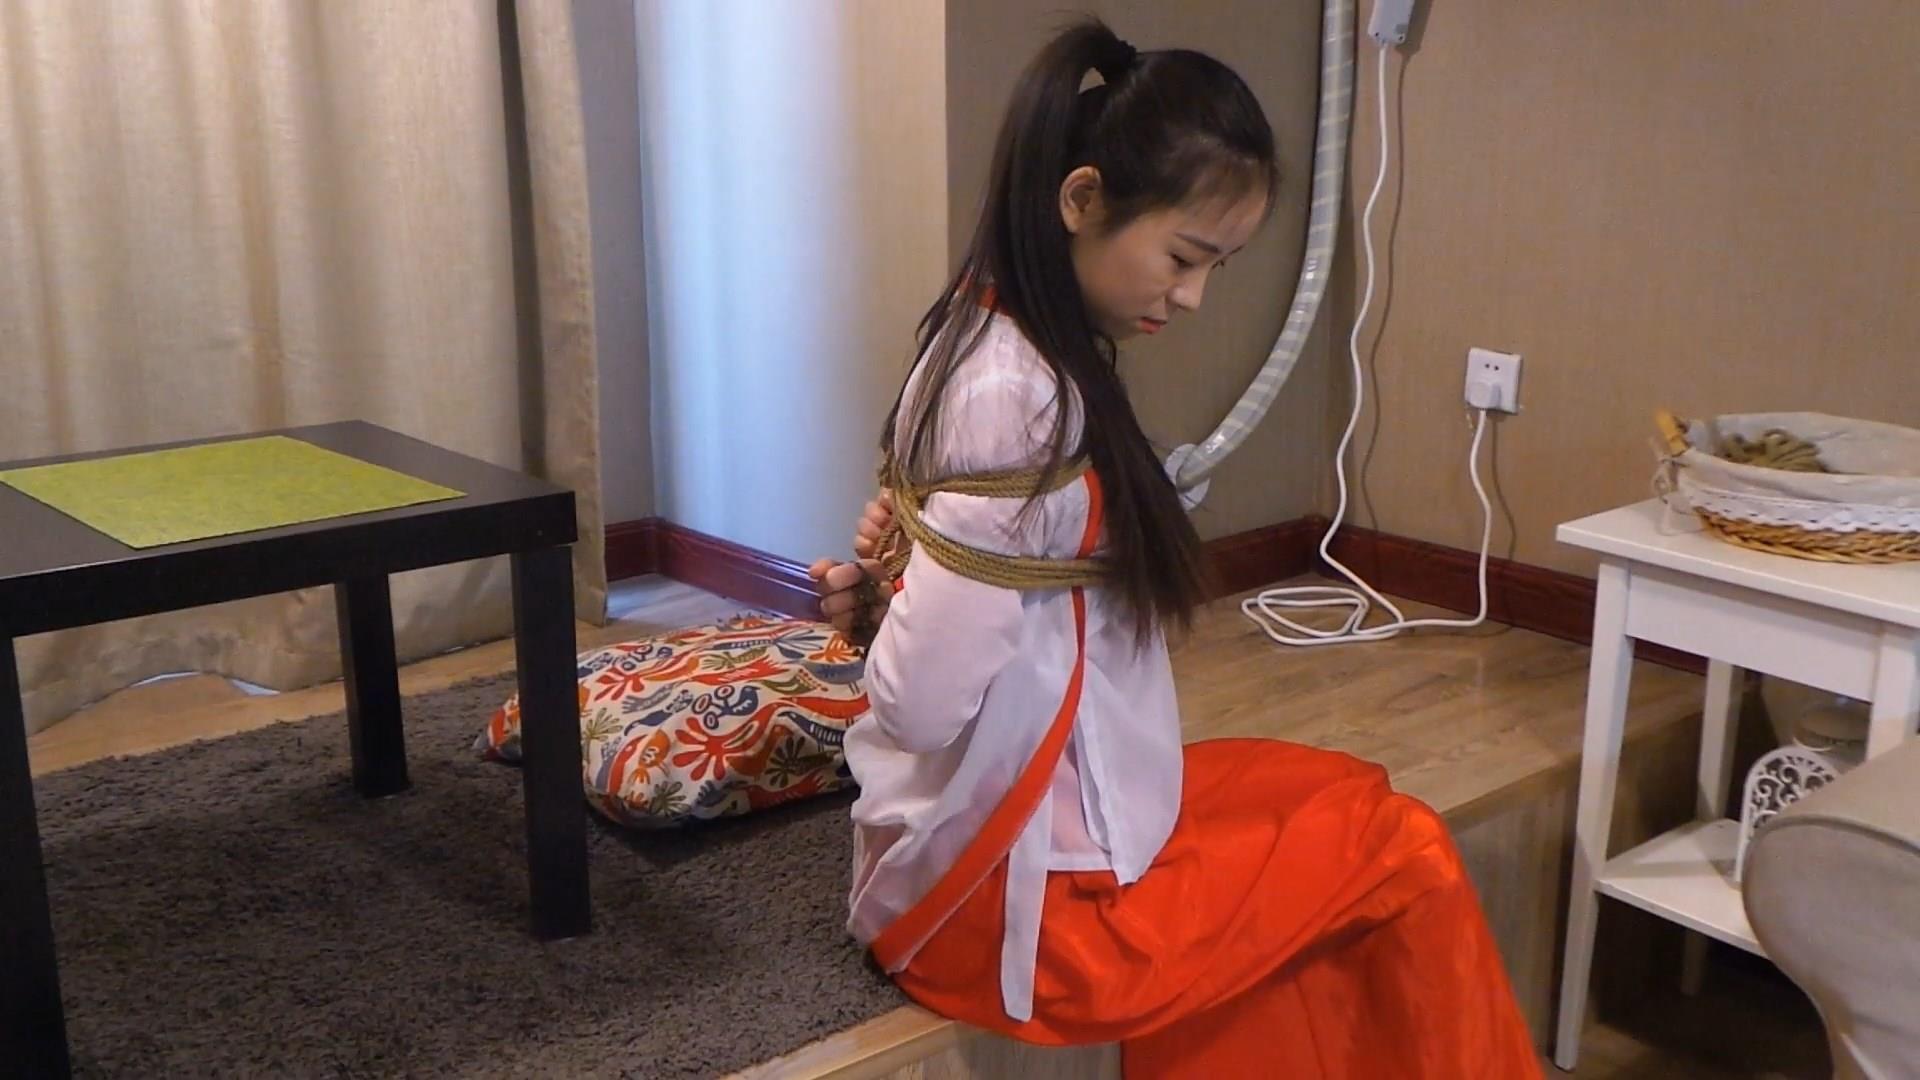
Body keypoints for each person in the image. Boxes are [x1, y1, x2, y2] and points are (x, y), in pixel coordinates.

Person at [807, 18, 1541, 1079]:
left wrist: (894, 599)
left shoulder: (987, 330)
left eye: (1215, 267)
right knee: (1397, 849)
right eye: (1184, 257)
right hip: (1015, 912)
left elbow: (976, 613)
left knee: (1340, 808)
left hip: (1015, 855)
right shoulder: (1019, 396)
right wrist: (897, 620)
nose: (1192, 296)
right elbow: (919, 706)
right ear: (1081, 199)